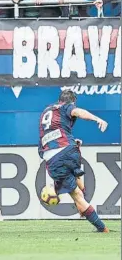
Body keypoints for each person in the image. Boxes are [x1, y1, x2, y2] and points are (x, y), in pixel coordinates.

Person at [38, 90, 109, 232]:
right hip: (70, 149)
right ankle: (82, 202)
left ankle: (101, 228)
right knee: (75, 177)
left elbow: (47, 138)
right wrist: (97, 119)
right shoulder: (67, 107)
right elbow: (77, 112)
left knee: (76, 195)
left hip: (53, 157)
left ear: (59, 100)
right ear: (72, 102)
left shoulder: (46, 111)